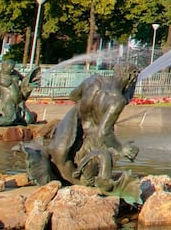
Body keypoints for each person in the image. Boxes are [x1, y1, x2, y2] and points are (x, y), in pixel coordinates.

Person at [46, 64, 140, 192]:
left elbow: (73, 96)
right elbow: (103, 133)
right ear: (131, 77)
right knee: (95, 174)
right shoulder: (117, 100)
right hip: (94, 148)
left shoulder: (93, 81)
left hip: (76, 144)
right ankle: (99, 183)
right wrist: (121, 148)